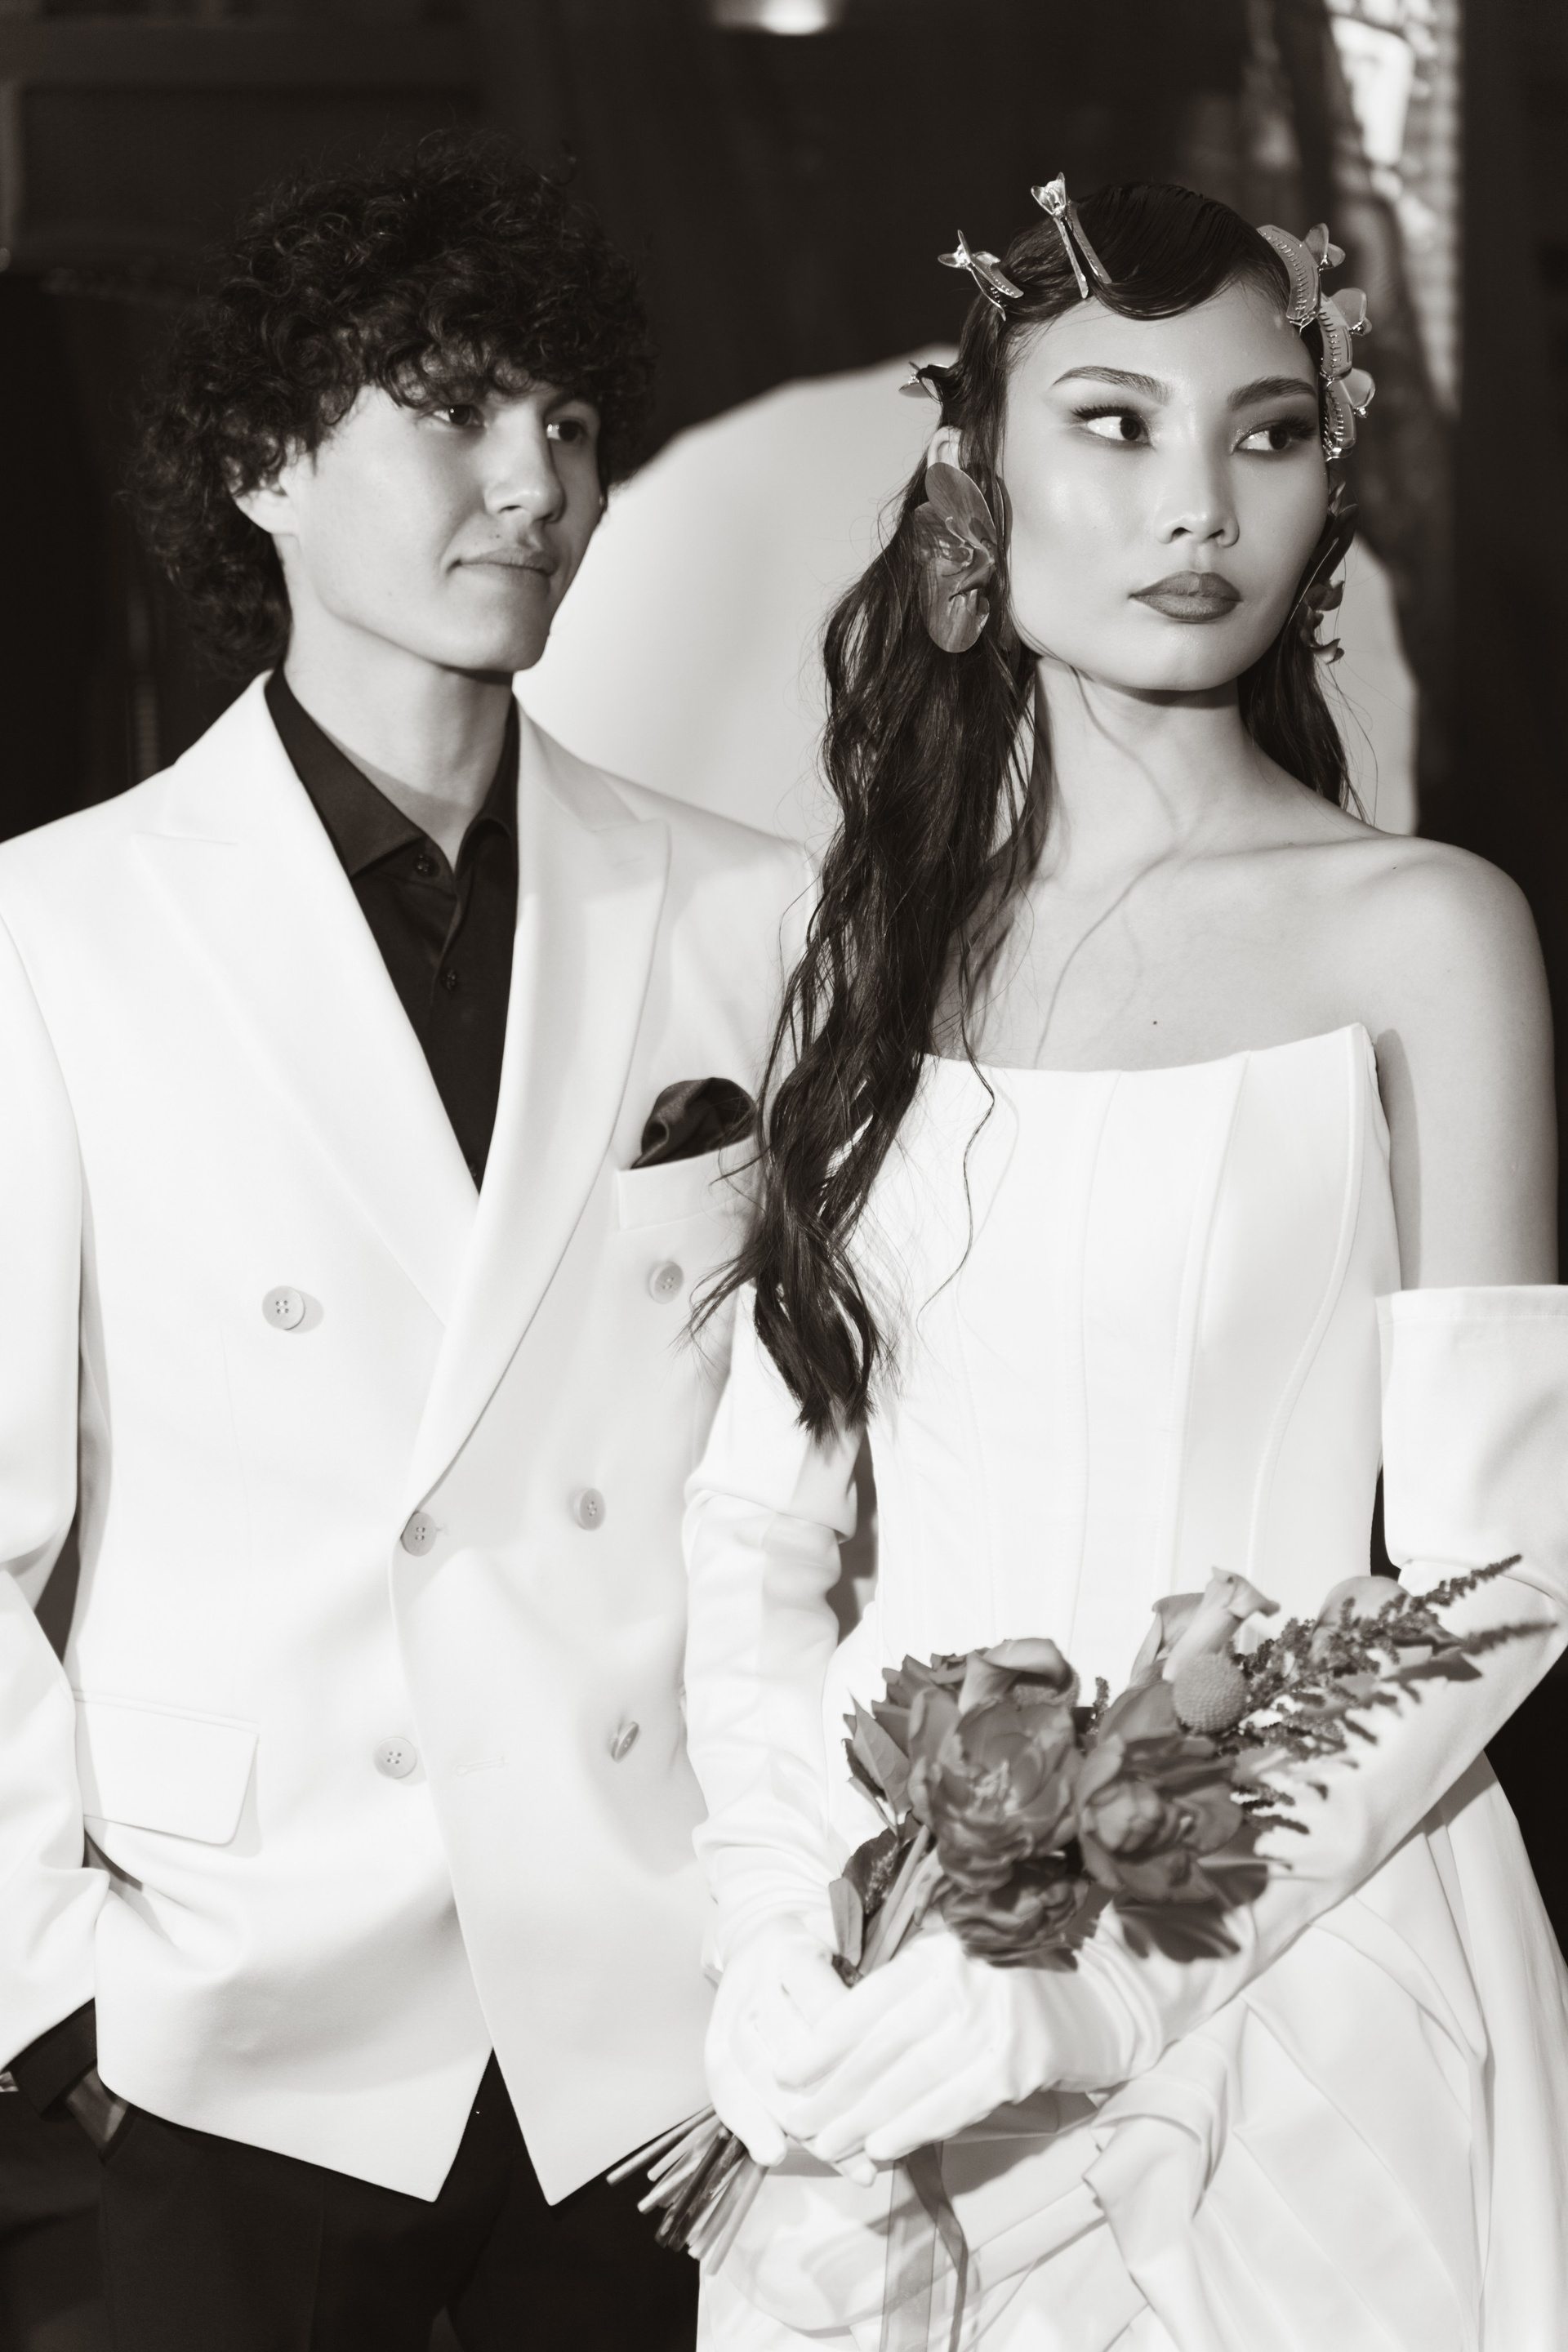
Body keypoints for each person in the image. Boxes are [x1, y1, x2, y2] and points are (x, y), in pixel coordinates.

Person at [680, 180, 1568, 2349]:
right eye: (1115, 423)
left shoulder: (1427, 933)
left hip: (1299, 2013)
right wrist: (777, 1923)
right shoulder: (871, 957)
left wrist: (1103, 1972)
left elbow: (1504, 1569)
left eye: (1268, 433)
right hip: (894, 2005)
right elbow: (759, 1537)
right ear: (972, 486)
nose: (1199, 506)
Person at [0, 135, 808, 2351]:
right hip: (225, 2031)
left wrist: (802, 1935)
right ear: (265, 464)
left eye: (570, 419)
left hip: (651, 2026)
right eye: (453, 412)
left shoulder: (756, 914)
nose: (534, 482)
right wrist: (54, 2002)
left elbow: (810, 1479)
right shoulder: (55, 934)